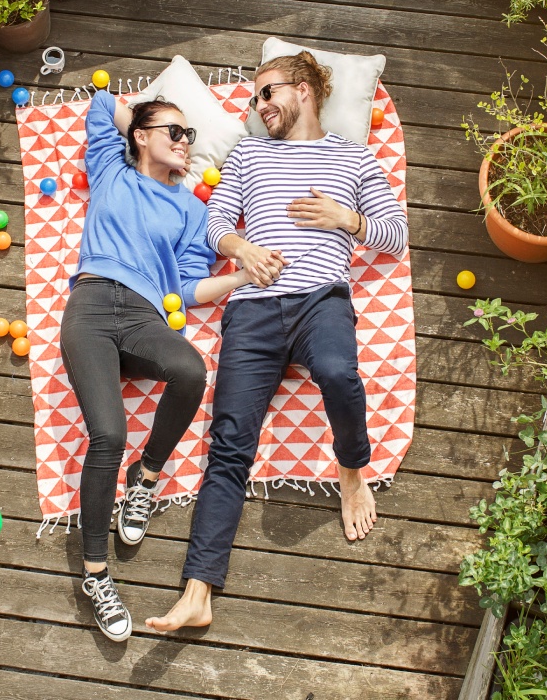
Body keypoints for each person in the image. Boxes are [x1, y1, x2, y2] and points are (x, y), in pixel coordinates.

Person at [147, 51, 409, 632]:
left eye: (268, 94)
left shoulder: (354, 158)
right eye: (254, 98)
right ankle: (197, 593)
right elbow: (215, 223)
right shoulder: (248, 154)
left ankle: (351, 472)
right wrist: (241, 250)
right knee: (230, 441)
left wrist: (348, 219)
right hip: (254, 311)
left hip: (321, 301)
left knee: (340, 374)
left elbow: (396, 236)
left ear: (306, 90)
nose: (258, 106)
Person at [61, 89, 251, 642]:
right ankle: (96, 574)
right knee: (108, 433)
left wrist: (242, 274)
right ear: (139, 137)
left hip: (146, 317)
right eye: (176, 131)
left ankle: (145, 478)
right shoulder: (111, 169)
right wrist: (145, 124)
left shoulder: (194, 208)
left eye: (191, 135)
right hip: (92, 308)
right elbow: (101, 103)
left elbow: (190, 288)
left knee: (191, 371)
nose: (186, 142)